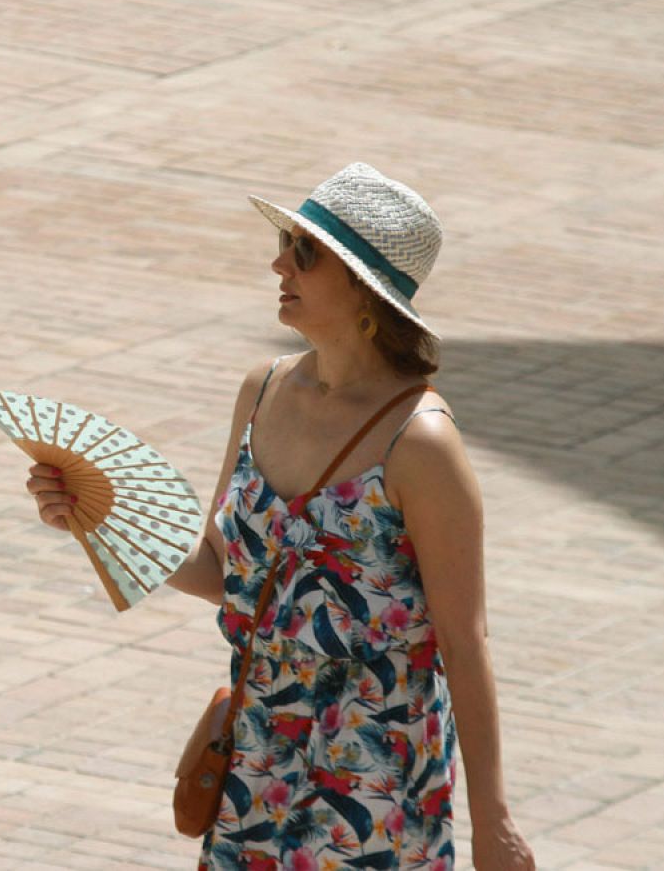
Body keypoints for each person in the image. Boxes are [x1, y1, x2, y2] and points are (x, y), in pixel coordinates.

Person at [26, 164, 535, 870]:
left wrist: (494, 822)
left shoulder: (420, 443)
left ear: (364, 288)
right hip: (256, 759)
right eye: (286, 243)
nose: (278, 263)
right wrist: (98, 516)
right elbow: (224, 573)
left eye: (305, 252)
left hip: (374, 783)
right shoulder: (262, 389)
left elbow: (464, 640)